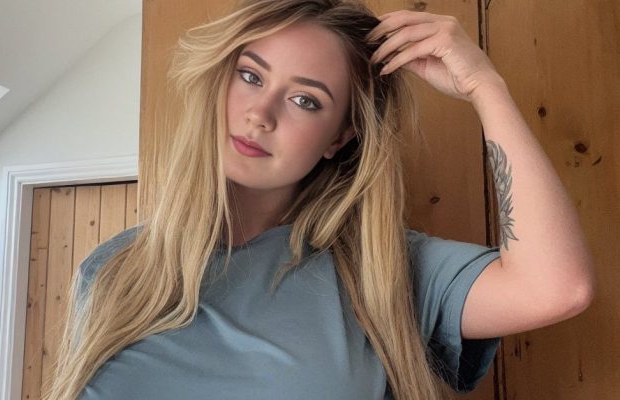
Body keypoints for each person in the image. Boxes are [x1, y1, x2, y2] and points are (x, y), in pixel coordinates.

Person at [43, 1, 596, 399]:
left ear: (340, 137)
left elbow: (557, 287)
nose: (260, 114)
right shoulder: (112, 269)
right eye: (250, 75)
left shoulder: (379, 272)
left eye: (305, 100)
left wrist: (486, 88)